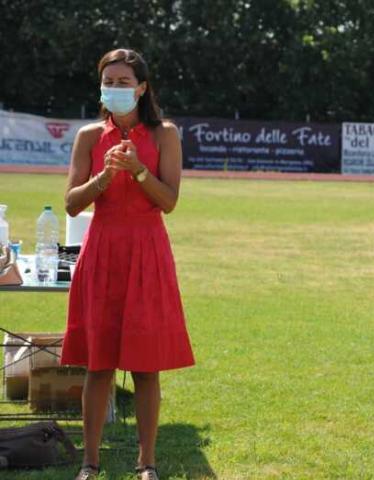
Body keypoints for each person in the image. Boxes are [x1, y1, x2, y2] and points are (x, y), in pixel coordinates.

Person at [62, 49, 195, 480]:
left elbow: (169, 201)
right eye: (108, 81)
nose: (115, 88)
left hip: (147, 252)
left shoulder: (165, 134)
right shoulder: (88, 136)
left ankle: (146, 462)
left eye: (123, 82)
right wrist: (102, 178)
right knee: (98, 365)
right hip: (102, 252)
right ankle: (90, 462)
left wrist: (137, 170)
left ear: (141, 89)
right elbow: (71, 204)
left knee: (145, 365)